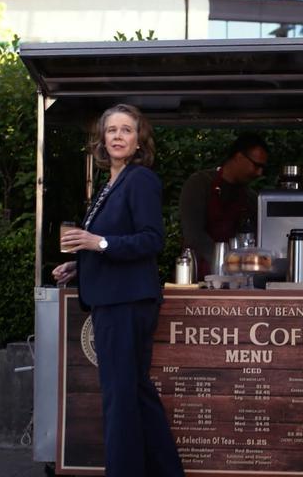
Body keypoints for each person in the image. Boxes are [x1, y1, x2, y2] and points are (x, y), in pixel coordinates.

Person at [52, 104, 185, 477]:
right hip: (115, 299)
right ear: (102, 138)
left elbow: (150, 240)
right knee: (135, 393)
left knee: (120, 398)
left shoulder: (139, 179)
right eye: (111, 130)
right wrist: (79, 267)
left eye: (126, 130)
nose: (117, 136)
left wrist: (98, 245)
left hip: (126, 302)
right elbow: (105, 243)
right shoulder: (110, 184)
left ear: (139, 140)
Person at [178, 133, 269, 275]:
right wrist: (225, 261)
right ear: (239, 157)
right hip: (196, 276)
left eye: (263, 167)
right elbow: (193, 235)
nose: (259, 172)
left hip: (237, 279)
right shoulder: (199, 184)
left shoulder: (250, 198)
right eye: (256, 165)